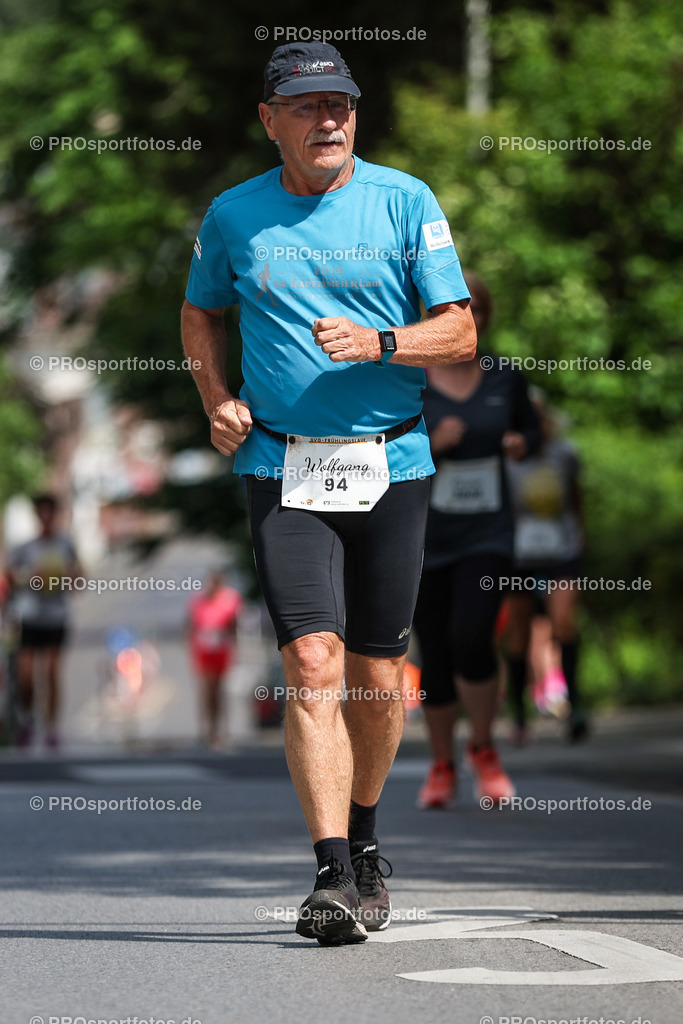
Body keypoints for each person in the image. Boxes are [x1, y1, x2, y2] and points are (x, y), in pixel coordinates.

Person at [181, 42, 476, 945]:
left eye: (341, 104)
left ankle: (370, 838)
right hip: (282, 467)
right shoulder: (234, 216)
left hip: (392, 464)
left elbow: (458, 330)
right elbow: (200, 311)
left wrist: (383, 344)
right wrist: (216, 400)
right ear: (270, 120)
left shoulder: (403, 200)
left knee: (377, 675)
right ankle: (331, 872)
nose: (329, 120)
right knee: (311, 665)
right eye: (307, 107)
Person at [412, 273, 541, 810]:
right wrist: (430, 444)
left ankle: (484, 749)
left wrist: (519, 443)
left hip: (488, 532)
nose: (465, 320)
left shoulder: (504, 377)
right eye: (449, 310)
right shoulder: (411, 379)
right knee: (436, 653)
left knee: (472, 635)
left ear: (483, 320)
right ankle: (442, 765)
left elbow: (534, 433)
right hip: (421, 534)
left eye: (474, 311)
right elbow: (377, 451)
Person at [503, 391, 588, 742]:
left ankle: (576, 706)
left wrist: (583, 543)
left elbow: (576, 499)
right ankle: (519, 713)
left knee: (563, 623)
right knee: (520, 634)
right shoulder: (505, 459)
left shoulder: (564, 454)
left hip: (561, 548)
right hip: (518, 552)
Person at [6, 493, 80, 749]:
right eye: (42, 513)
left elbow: (79, 579)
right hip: (29, 616)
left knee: (51, 673)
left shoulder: (65, 545)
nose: (46, 518)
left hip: (56, 616)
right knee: (26, 677)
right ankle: (27, 719)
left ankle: (52, 729)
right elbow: (10, 579)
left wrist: (66, 578)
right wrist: (31, 577)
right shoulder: (25, 548)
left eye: (50, 513)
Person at [187, 570, 243, 748]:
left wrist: (235, 649)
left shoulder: (231, 600)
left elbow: (235, 627)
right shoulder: (198, 601)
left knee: (220, 689)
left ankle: (220, 729)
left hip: (222, 649)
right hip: (204, 650)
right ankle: (207, 729)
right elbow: (191, 626)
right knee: (207, 690)